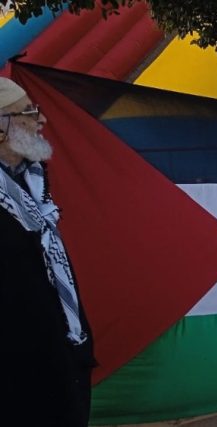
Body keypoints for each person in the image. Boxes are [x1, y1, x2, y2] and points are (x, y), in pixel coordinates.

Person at [0, 77, 95, 426]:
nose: (41, 119)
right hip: (16, 370)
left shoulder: (33, 180)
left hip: (61, 351)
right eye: (28, 112)